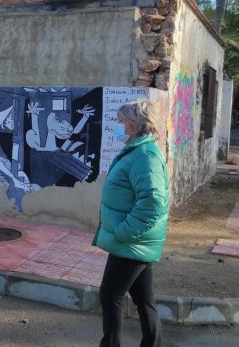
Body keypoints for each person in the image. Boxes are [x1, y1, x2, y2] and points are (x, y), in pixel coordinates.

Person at [93, 100, 169, 347]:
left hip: (131, 242)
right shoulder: (138, 151)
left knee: (110, 295)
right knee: (143, 299)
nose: (117, 125)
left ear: (134, 125)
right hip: (134, 242)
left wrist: (125, 232)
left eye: (121, 121)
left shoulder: (145, 155)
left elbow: (153, 201)